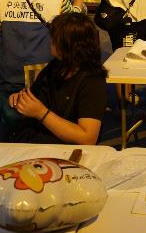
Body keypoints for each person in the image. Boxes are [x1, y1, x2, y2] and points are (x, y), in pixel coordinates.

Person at [0, 0, 89, 139]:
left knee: (13, 132)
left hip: (10, 73)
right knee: (44, 129)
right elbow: (72, 26)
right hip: (43, 77)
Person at [6, 13, 108, 144]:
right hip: (37, 144)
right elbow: (34, 99)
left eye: (54, 38)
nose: (51, 41)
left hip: (68, 153)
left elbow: (87, 138)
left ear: (68, 45)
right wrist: (21, 100)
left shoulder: (92, 81)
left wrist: (41, 113)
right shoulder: (55, 66)